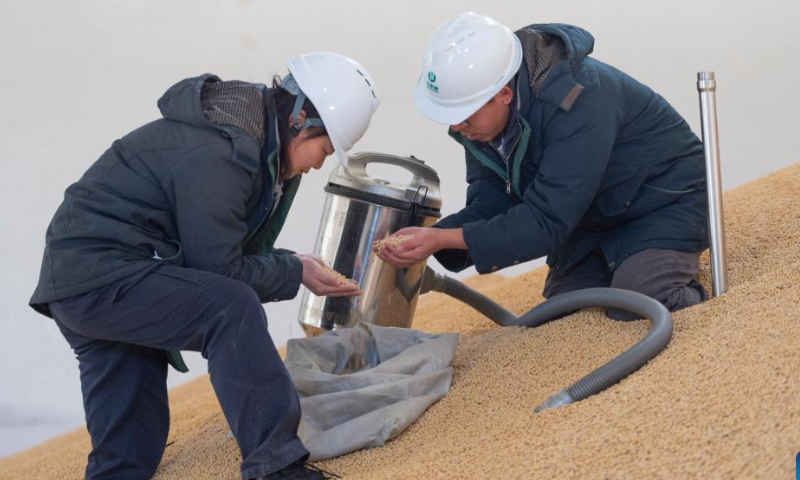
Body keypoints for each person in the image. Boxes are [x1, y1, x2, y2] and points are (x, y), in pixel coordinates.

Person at [29, 52, 379, 480]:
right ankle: (277, 468)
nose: (319, 163)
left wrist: (292, 263)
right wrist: (294, 272)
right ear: (300, 119)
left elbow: (220, 250)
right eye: (324, 149)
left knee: (130, 455)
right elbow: (220, 273)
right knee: (229, 308)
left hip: (82, 280)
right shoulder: (222, 152)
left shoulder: (243, 140)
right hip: (102, 273)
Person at [376, 12, 709, 319]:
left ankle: (693, 294)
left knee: (637, 305)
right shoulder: (479, 125)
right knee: (563, 314)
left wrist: (444, 240)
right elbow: (492, 201)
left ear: (504, 94)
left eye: (462, 115)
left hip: (663, 204)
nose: (457, 127)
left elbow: (547, 221)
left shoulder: (578, 101)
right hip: (591, 217)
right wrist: (433, 237)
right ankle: (626, 267)